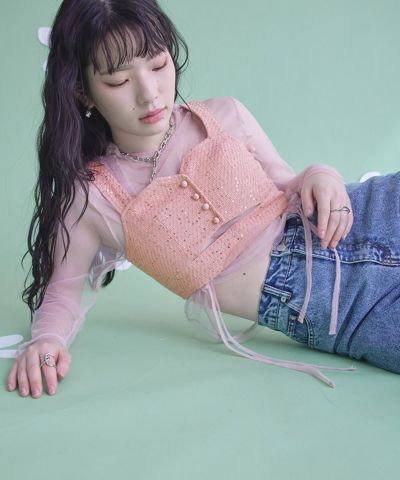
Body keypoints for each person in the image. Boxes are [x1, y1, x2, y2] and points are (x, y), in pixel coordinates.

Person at [6, 0, 400, 398]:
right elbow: (62, 293)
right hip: (344, 309)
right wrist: (46, 342)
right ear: (83, 91)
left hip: (374, 213)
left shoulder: (224, 115)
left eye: (158, 65)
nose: (149, 94)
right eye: (119, 81)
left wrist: (321, 174)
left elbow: (290, 184)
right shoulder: (92, 196)